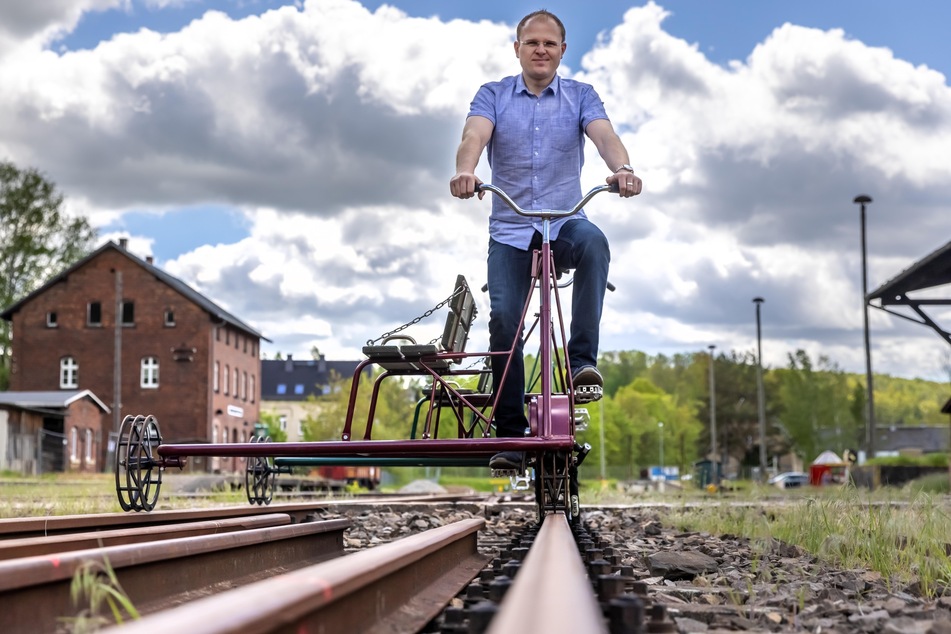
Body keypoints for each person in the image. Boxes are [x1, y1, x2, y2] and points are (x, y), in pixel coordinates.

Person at [449, 9, 642, 470]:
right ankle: (511, 435)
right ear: (517, 49)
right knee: (505, 320)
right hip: (511, 229)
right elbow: (473, 134)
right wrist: (466, 170)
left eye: (549, 44)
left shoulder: (581, 96)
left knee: (594, 243)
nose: (540, 50)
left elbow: (605, 136)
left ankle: (580, 366)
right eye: (532, 43)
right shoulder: (493, 94)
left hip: (564, 220)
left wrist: (623, 169)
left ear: (562, 51)